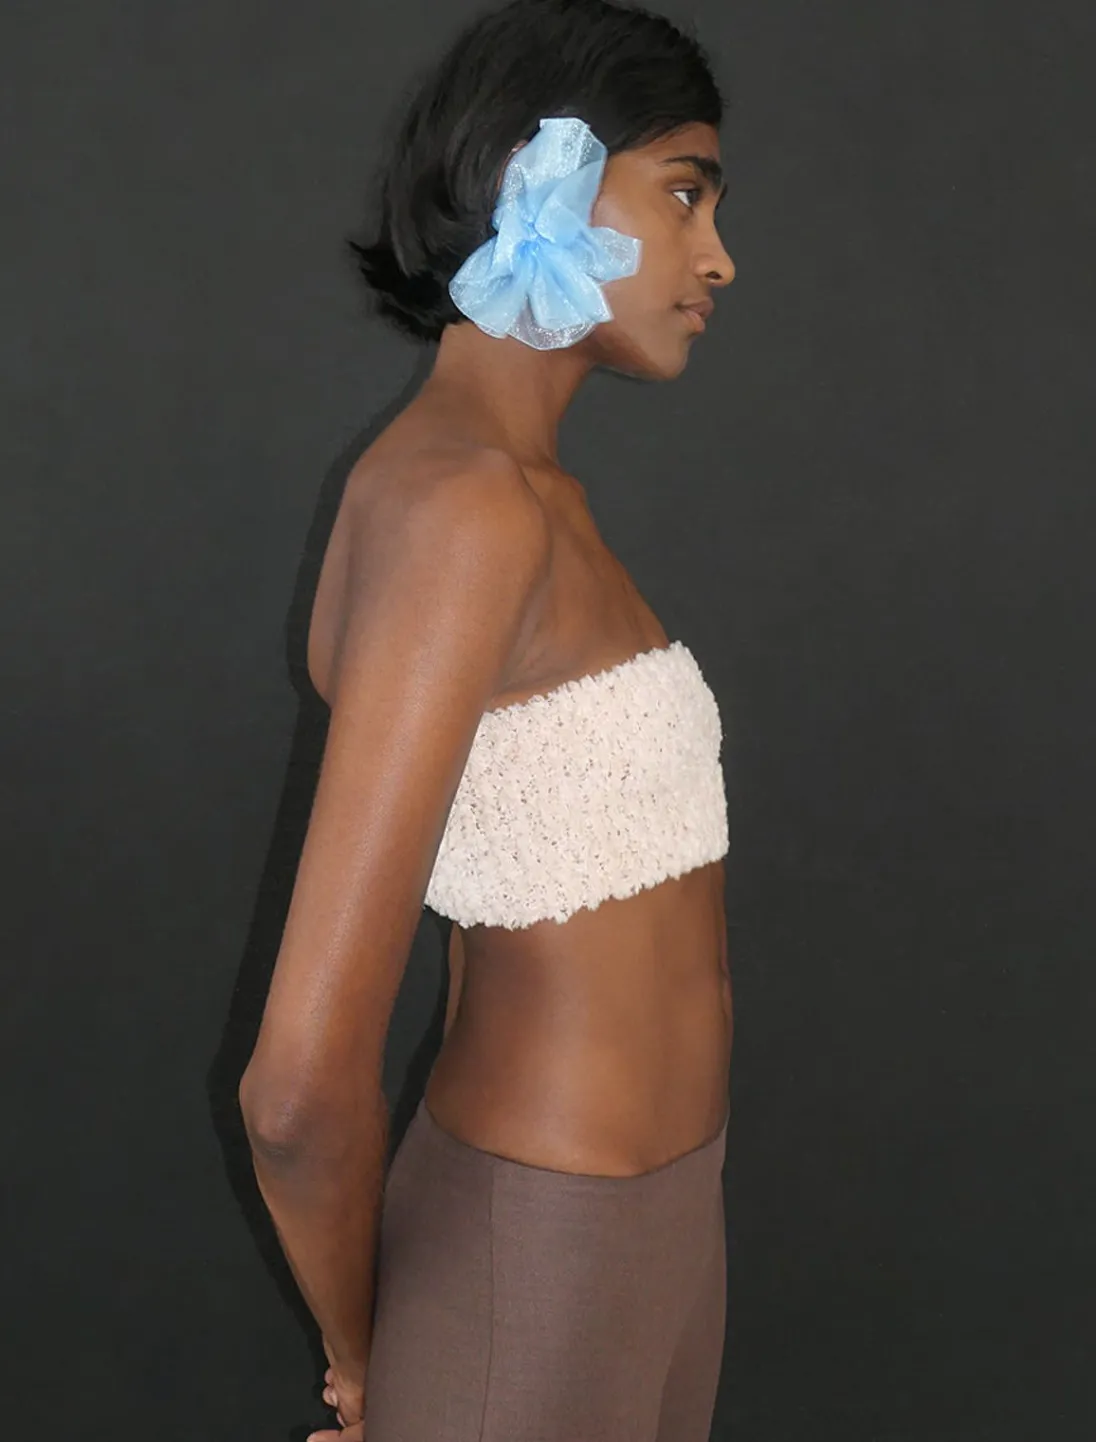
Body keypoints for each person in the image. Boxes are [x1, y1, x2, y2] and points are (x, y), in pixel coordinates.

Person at [238, 1, 737, 1437]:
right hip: (535, 1266)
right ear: (543, 177)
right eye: (686, 192)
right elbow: (295, 1086)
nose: (718, 257)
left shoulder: (523, 496)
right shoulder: (463, 509)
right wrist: (365, 1355)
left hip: (664, 1235)